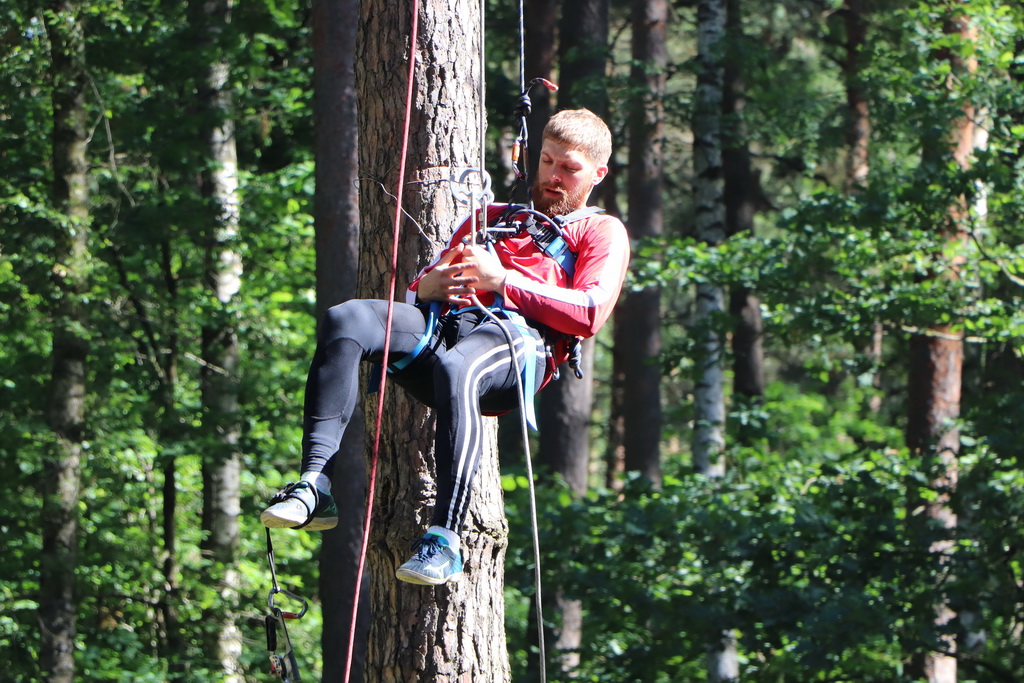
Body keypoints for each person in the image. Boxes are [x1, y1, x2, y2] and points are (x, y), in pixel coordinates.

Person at [261, 108, 630, 586]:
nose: (553, 177)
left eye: (569, 169)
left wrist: (503, 281)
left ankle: (445, 538)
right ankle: (315, 485)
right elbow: (423, 284)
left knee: (460, 367)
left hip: (516, 348)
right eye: (547, 162)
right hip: (448, 330)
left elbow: (589, 311)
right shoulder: (492, 218)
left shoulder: (600, 231)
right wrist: (429, 286)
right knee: (346, 318)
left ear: (597, 174)